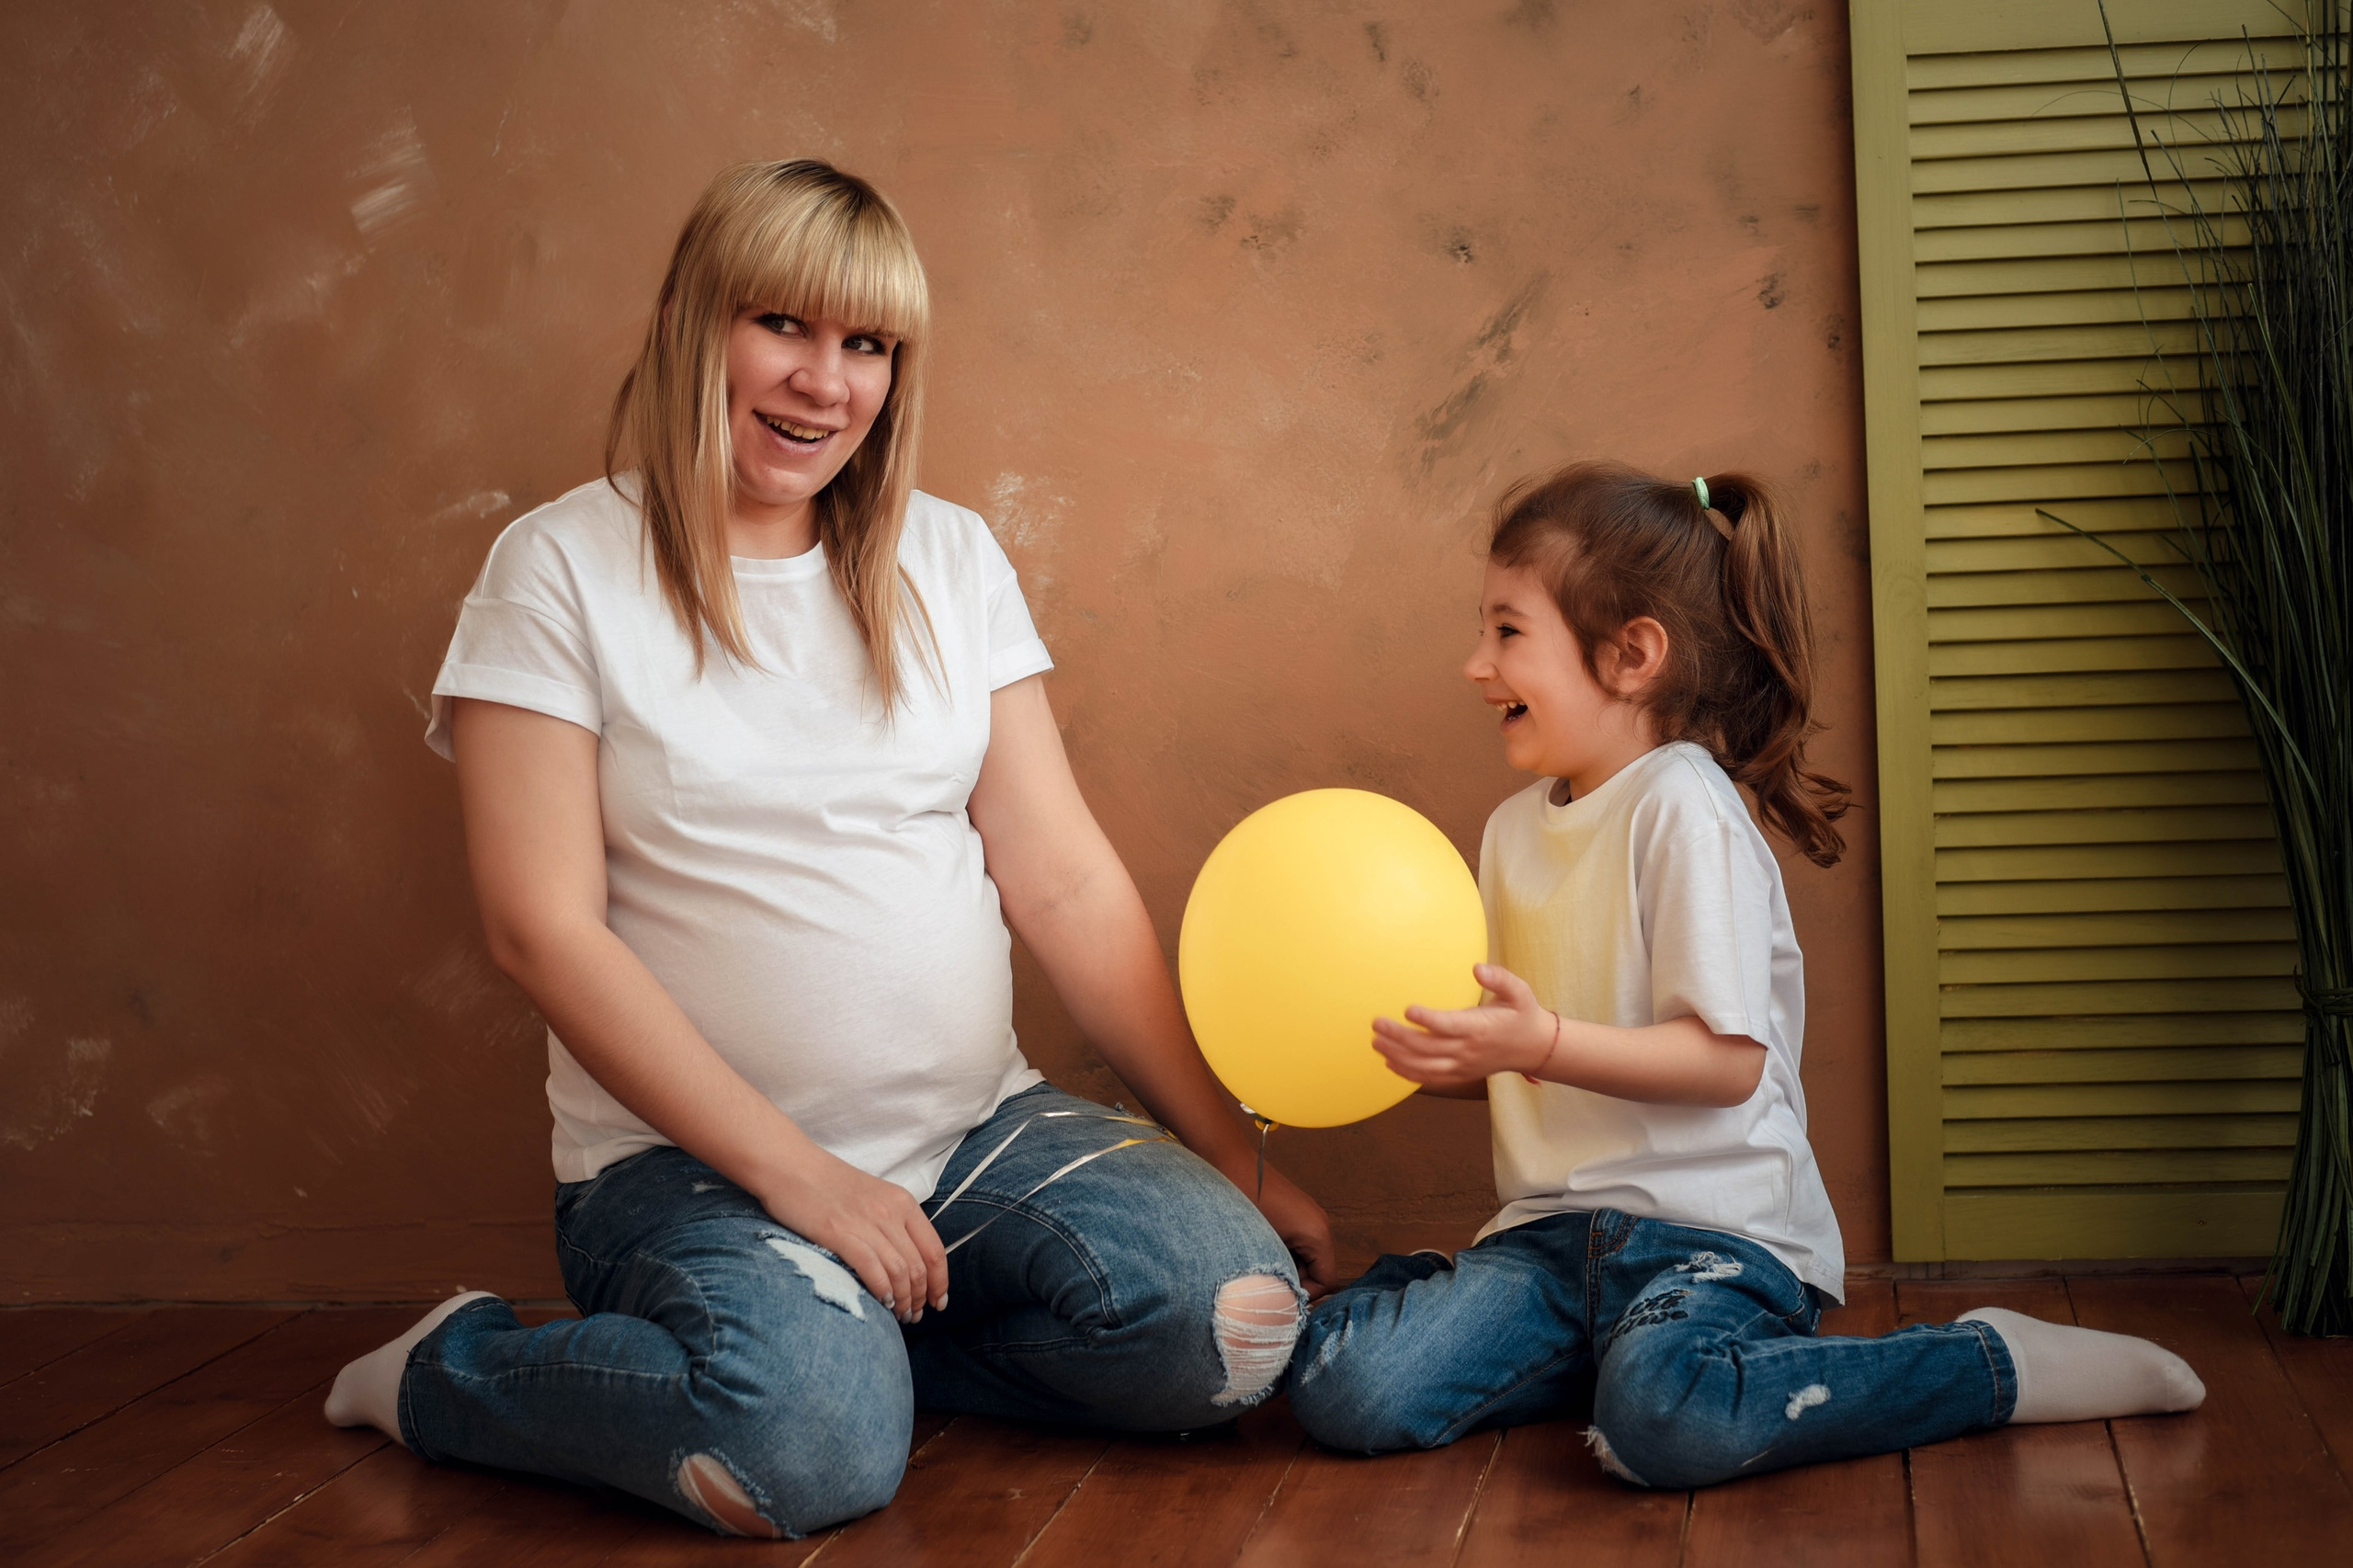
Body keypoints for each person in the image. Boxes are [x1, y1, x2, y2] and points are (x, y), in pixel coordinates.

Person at [322, 159, 1331, 1539]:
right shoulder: (558, 567)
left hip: (975, 1133)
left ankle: (867, 1356)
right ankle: (455, 1370)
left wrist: (1240, 1160)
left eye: (868, 345)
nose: (825, 382)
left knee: (1239, 1327)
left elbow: (1065, 879)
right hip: (688, 1172)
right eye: (783, 326)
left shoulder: (953, 558)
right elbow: (540, 927)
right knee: (801, 1454)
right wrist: (809, 1182)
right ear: (692, 321)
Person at [1285, 462, 2204, 1486]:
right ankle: (1599, 1348)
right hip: (1546, 1243)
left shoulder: (1684, 808)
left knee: (1669, 1419)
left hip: (1710, 1239)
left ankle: (1988, 1360)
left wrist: (1535, 1041)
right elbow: (1530, 1056)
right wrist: (1440, 1053)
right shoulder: (1509, 834)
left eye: (1506, 631)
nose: (1474, 663)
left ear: (1630, 652)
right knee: (1344, 1385)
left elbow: (1723, 1063)